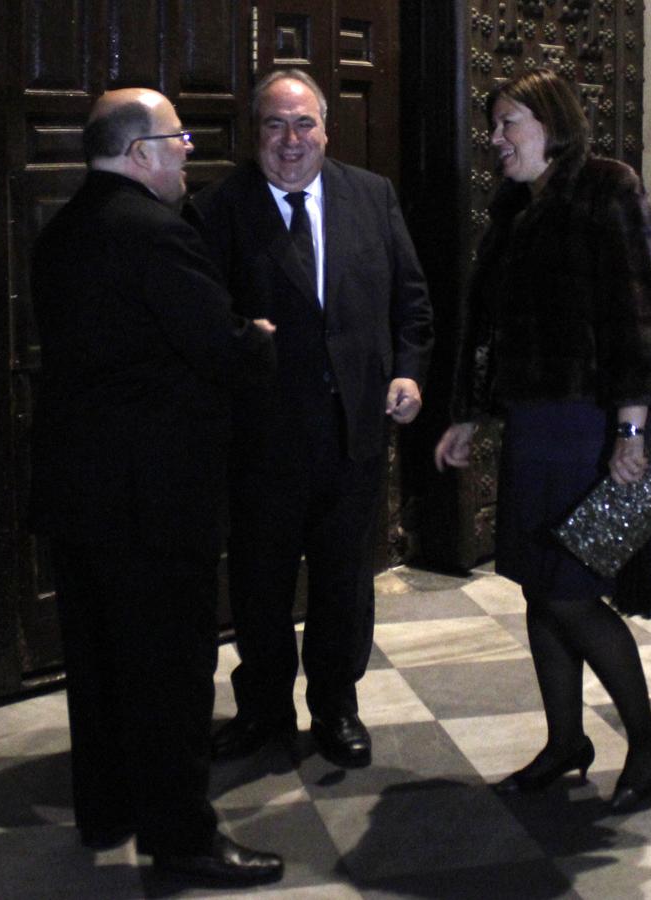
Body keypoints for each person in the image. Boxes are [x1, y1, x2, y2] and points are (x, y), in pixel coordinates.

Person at [28, 87, 282, 886]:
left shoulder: (62, 231)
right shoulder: (157, 234)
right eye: (177, 142)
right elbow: (217, 348)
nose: (187, 156)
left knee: (99, 666)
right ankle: (185, 840)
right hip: (156, 499)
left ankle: (107, 810)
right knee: (172, 676)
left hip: (80, 494)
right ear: (139, 152)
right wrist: (258, 339)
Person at [434, 68, 651, 814]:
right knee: (541, 589)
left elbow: (641, 314)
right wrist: (470, 414)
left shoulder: (606, 186)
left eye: (510, 123)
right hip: (535, 424)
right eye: (495, 125)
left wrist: (632, 429)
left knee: (573, 595)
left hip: (590, 425)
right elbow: (492, 330)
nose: (496, 139)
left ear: (552, 122)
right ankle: (566, 740)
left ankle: (646, 733)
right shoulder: (514, 207)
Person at [195, 69, 434, 769]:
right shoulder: (217, 209)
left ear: (326, 129)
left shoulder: (372, 196)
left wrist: (409, 371)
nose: (291, 140)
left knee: (343, 582)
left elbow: (411, 304)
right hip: (263, 440)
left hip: (352, 434)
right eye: (275, 125)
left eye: (304, 124)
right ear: (254, 133)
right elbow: (202, 325)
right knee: (261, 586)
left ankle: (336, 706)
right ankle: (263, 709)